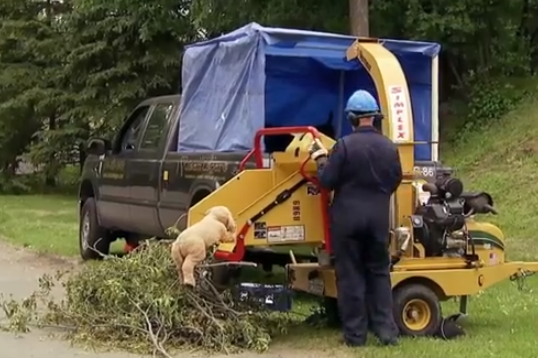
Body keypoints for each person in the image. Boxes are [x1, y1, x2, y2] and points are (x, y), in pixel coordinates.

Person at [308, 89, 403, 347]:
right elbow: (395, 179)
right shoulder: (389, 147)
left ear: (351, 118)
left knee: (350, 277)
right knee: (379, 274)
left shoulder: (344, 146)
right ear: (374, 117)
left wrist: (320, 159)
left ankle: (355, 336)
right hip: (377, 219)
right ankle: (387, 333)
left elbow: (327, 180)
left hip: (347, 221)